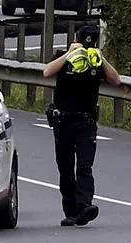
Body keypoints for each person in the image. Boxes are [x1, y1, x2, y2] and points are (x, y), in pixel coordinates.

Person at [43, 25, 121, 227]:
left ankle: (85, 205)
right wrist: (69, 54)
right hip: (63, 121)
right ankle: (71, 211)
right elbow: (47, 72)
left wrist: (101, 59)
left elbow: (115, 80)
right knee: (66, 167)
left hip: (85, 121)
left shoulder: (95, 62)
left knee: (85, 166)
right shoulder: (65, 57)